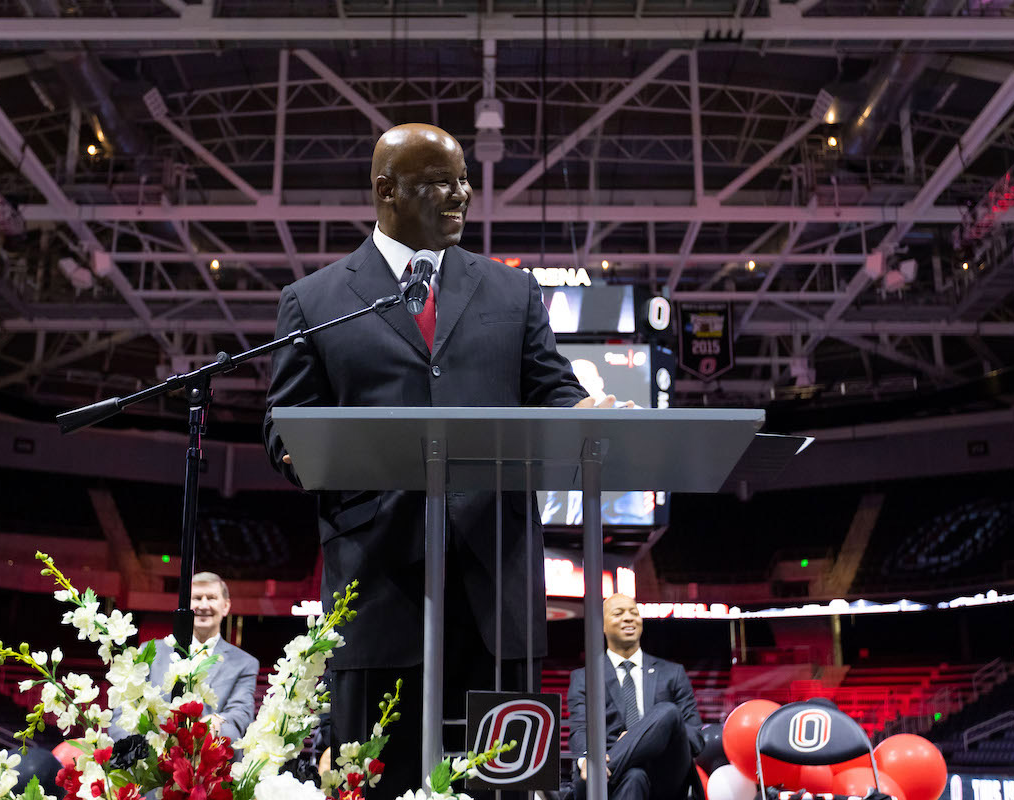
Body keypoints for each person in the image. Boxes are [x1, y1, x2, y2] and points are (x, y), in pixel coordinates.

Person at [263, 122, 629, 797]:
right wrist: (301, 450)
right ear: (386, 191)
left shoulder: (511, 293)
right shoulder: (313, 303)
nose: (459, 195)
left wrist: (585, 415)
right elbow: (283, 428)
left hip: (497, 587)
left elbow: (552, 390)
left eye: (462, 180)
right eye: (437, 182)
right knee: (379, 784)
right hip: (377, 590)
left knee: (502, 790)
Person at [567, 594, 705, 800]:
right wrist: (587, 760)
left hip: (665, 772)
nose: (629, 618)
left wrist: (642, 739)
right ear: (602, 626)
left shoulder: (673, 673)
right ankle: (606, 768)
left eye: (634, 613)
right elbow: (579, 729)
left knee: (668, 711)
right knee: (634, 776)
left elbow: (695, 736)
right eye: (618, 613)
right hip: (622, 781)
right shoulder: (585, 678)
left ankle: (604, 769)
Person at [132, 573, 259, 744]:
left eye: (212, 598)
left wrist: (216, 725)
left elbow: (240, 716)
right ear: (184, 605)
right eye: (197, 598)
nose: (203, 605)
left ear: (226, 606)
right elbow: (127, 710)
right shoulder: (150, 652)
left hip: (210, 758)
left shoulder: (245, 663)